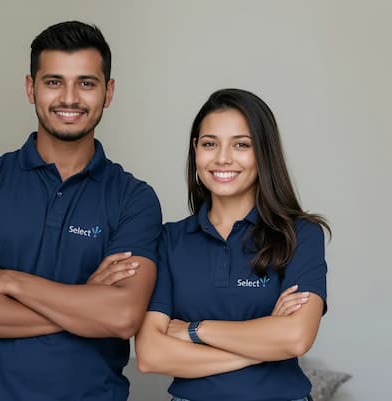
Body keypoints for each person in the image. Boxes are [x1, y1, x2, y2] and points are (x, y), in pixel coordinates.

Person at [0, 21, 162, 401]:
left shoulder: (133, 199)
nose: (69, 98)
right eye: (54, 81)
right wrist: (83, 303)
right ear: (30, 88)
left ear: (109, 92)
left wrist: (11, 282)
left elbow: (122, 317)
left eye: (86, 83)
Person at [135, 88, 330, 401]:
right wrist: (262, 346)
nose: (223, 158)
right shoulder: (168, 240)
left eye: (241, 145)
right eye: (210, 144)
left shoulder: (301, 235)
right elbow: (150, 354)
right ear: (195, 149)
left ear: (263, 153)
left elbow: (295, 338)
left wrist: (195, 330)